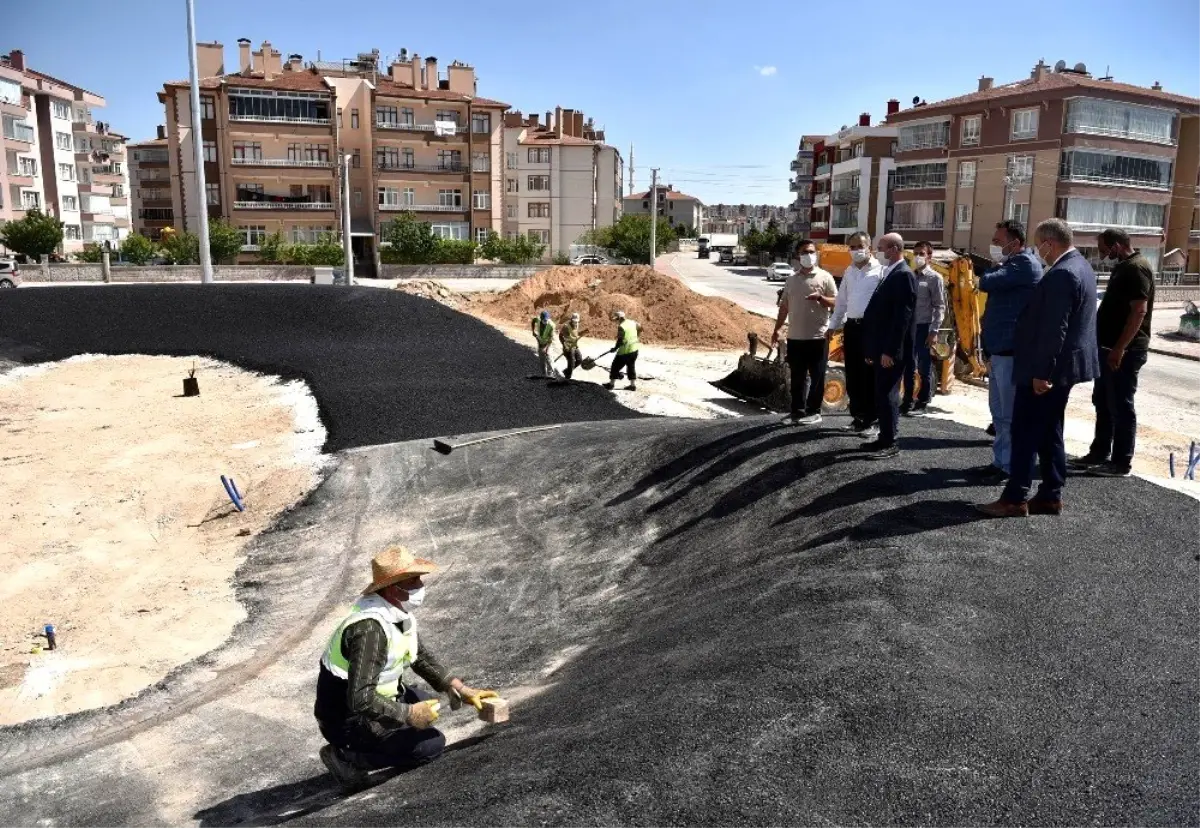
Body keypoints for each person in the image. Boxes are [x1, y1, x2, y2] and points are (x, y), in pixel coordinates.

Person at [315, 545, 499, 787]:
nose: (420, 586)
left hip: (372, 700)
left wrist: (460, 689)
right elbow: (360, 699)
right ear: (393, 587)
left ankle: (382, 736)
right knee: (430, 745)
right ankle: (346, 756)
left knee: (427, 702)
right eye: (413, 580)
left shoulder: (396, 612)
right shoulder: (370, 630)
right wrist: (409, 714)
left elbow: (419, 656)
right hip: (348, 719)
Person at [977, 218, 1099, 518]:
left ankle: (1015, 498)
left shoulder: (1062, 274)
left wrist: (1041, 373)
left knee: (1025, 430)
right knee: (1049, 431)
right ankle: (1050, 494)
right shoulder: (1081, 266)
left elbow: (1053, 329)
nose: (1037, 250)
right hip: (1061, 369)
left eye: (1039, 244)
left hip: (1045, 371)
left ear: (1049, 243)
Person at [1070, 229, 1155, 478]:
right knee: (1103, 403)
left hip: (1125, 351)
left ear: (1116, 245)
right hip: (1107, 348)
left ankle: (1120, 462)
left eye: (1103, 247)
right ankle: (1098, 453)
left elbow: (1139, 311)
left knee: (1121, 405)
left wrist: (1120, 348)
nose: (1101, 252)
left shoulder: (1136, 268)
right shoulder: (1124, 266)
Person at [976, 220, 1043, 482]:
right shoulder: (1011, 264)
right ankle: (1001, 461)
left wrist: (993, 269)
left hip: (1012, 351)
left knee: (1012, 415)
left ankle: (1013, 467)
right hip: (999, 350)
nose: (994, 246)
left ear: (1015, 242)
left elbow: (987, 282)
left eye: (998, 241)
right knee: (1000, 413)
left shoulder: (1024, 264)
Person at [860, 232, 917, 459]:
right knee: (881, 393)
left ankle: (890, 441)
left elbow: (901, 318)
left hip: (891, 350)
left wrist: (889, 351)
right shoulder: (891, 273)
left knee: (888, 393)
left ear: (893, 249)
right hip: (881, 347)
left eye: (882, 247)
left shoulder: (903, 275)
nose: (878, 252)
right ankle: (883, 437)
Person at [771, 238, 838, 426]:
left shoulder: (825, 277)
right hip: (795, 337)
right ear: (798, 256)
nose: (808, 255)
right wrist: (777, 330)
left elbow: (837, 303)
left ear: (816, 254)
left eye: (811, 252)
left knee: (817, 376)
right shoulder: (791, 280)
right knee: (797, 377)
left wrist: (822, 298)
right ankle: (797, 412)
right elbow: (784, 307)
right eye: (804, 252)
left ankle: (814, 411)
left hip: (818, 337)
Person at [828, 231, 884, 434]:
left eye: (860, 246)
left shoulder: (880, 272)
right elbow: (841, 302)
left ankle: (873, 420)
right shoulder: (849, 272)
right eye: (852, 247)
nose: (856, 250)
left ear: (870, 247)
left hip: (871, 329)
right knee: (853, 374)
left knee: (870, 375)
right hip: (851, 328)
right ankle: (858, 417)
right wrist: (832, 325)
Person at [901, 241, 945, 417]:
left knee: (924, 366)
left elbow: (939, 306)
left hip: (925, 327)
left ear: (929, 256)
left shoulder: (935, 278)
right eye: (916, 253)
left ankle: (923, 401)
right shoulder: (911, 276)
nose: (918, 256)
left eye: (921, 253)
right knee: (908, 365)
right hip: (910, 327)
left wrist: (934, 330)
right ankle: (907, 401)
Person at [604, 310, 641, 391]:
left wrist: (615, 348)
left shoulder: (621, 326)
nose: (615, 321)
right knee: (631, 367)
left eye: (616, 320)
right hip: (634, 350)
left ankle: (611, 384)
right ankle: (632, 385)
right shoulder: (632, 322)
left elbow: (620, 340)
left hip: (625, 352)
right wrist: (637, 337)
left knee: (614, 366)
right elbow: (640, 327)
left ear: (619, 319)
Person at [531, 310, 561, 378]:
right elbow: (533, 320)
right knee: (542, 359)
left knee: (549, 358)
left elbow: (551, 338)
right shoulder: (538, 320)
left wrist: (546, 348)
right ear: (541, 319)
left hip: (548, 342)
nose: (545, 321)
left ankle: (551, 375)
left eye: (547, 320)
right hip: (540, 342)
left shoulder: (551, 325)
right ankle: (544, 375)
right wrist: (533, 331)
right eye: (544, 320)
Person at [559, 312, 584, 380]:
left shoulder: (577, 325)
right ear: (571, 319)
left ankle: (567, 371)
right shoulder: (566, 326)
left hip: (575, 345)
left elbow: (575, 333)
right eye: (574, 321)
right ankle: (568, 377)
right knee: (571, 362)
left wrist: (583, 332)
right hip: (568, 346)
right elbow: (560, 336)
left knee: (579, 360)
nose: (575, 323)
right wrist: (564, 345)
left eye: (576, 321)